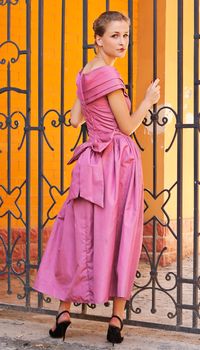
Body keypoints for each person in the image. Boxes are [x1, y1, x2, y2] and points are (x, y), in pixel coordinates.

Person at [33, 10, 160, 345]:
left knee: (81, 235)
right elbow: (128, 126)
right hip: (117, 163)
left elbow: (75, 119)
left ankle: (63, 311)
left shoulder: (85, 74)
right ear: (98, 39)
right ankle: (116, 319)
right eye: (115, 35)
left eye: (126, 35)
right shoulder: (108, 77)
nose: (122, 42)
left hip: (91, 162)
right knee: (120, 233)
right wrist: (147, 101)